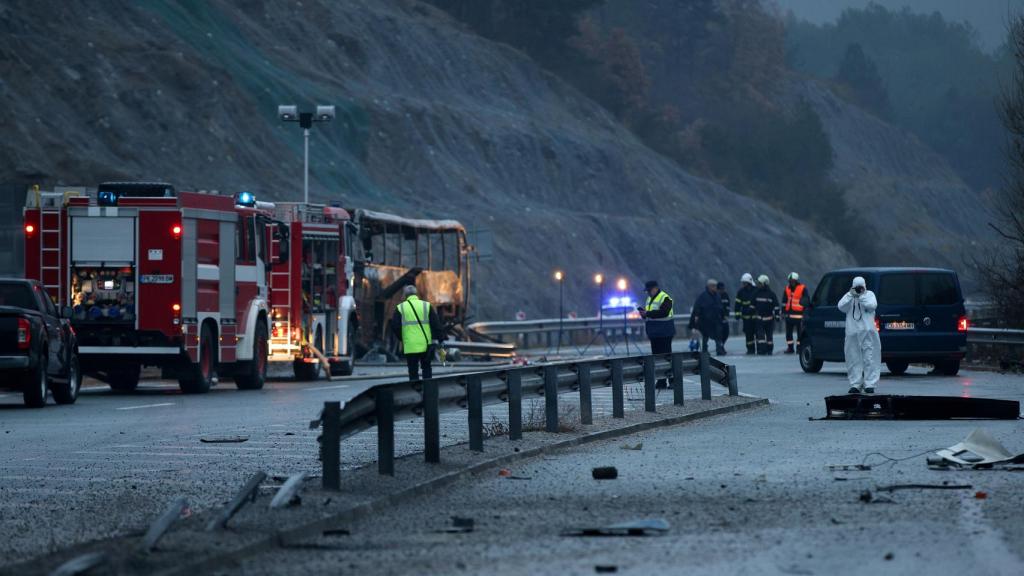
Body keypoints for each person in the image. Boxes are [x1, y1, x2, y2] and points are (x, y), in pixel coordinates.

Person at [390, 285, 443, 381]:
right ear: (416, 294)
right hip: (425, 345)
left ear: (405, 296)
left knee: (413, 370)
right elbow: (436, 324)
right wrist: (441, 339)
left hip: (410, 345)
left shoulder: (400, 308)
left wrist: (402, 338)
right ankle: (428, 391)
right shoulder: (426, 305)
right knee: (426, 368)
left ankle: (415, 390)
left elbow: (395, 326)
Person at [838, 276, 880, 394]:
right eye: (856, 287)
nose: (859, 289)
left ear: (864, 286)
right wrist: (851, 295)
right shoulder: (849, 296)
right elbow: (840, 306)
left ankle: (870, 384)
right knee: (853, 358)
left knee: (870, 358)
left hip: (868, 332)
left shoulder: (869, 295)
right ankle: (855, 384)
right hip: (852, 333)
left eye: (860, 287)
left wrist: (861, 297)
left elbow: (872, 305)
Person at [637, 280, 675, 388]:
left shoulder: (665, 298)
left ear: (655, 288)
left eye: (649, 290)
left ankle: (672, 381)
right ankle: (661, 381)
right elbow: (651, 314)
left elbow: (664, 312)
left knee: (667, 357)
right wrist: (644, 314)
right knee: (657, 358)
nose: (648, 293)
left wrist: (648, 313)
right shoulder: (649, 299)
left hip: (665, 332)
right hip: (654, 333)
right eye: (647, 291)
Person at [691, 279, 724, 355]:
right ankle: (705, 351)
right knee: (705, 336)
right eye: (714, 286)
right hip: (705, 321)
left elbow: (720, 307)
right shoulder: (703, 296)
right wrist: (696, 316)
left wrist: (722, 316)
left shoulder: (717, 296)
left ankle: (719, 350)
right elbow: (697, 307)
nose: (715, 288)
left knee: (718, 336)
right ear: (709, 287)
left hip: (716, 320)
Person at [782, 272, 810, 354]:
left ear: (796, 281)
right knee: (788, 334)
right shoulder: (787, 289)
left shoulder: (802, 288)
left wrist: (805, 312)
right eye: (790, 281)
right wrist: (783, 312)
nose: (791, 282)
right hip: (789, 316)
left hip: (799, 316)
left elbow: (806, 300)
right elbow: (784, 301)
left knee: (800, 334)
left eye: (793, 281)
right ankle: (790, 348)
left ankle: (799, 348)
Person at [752, 275, 779, 355]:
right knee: (760, 337)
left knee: (769, 337)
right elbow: (752, 305)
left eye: (760, 283)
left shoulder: (771, 294)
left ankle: (769, 350)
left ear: (765, 283)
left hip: (769, 320)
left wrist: (777, 316)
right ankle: (761, 350)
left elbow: (776, 307)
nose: (758, 285)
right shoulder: (756, 293)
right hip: (759, 319)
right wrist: (750, 313)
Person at [734, 273, 757, 354]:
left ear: (749, 282)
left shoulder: (756, 290)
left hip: (756, 318)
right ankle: (750, 350)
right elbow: (737, 304)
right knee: (748, 335)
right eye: (743, 283)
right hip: (746, 318)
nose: (743, 284)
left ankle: (760, 349)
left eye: (744, 283)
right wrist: (737, 314)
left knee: (758, 334)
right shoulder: (740, 292)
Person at [716, 281, 731, 354]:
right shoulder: (715, 296)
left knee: (726, 333)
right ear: (718, 289)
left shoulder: (726, 295)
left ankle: (721, 346)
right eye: (721, 289)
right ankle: (720, 348)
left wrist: (727, 315)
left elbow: (728, 306)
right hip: (717, 319)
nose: (723, 290)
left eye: (723, 289)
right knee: (719, 335)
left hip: (725, 318)